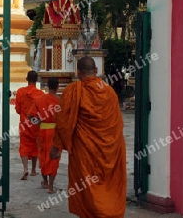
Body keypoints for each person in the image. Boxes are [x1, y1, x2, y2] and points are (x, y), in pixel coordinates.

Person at [50, 57, 126, 217]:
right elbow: (118, 124)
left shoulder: (73, 90)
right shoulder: (110, 92)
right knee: (106, 185)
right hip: (108, 150)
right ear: (96, 71)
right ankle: (108, 211)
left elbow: (63, 121)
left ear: (78, 72)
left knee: (85, 185)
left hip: (84, 150)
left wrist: (57, 145)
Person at [27, 77, 60, 193]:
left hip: (42, 131)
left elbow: (30, 116)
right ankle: (51, 186)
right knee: (53, 157)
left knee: (43, 156)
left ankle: (45, 182)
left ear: (47, 86)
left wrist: (39, 122)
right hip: (55, 133)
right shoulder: (60, 102)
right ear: (57, 87)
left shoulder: (39, 99)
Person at [15, 70, 44, 180]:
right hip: (36, 124)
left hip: (24, 123)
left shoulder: (20, 92)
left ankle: (25, 169)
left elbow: (18, 109)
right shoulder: (40, 94)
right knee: (35, 145)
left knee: (24, 146)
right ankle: (33, 170)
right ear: (36, 80)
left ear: (26, 79)